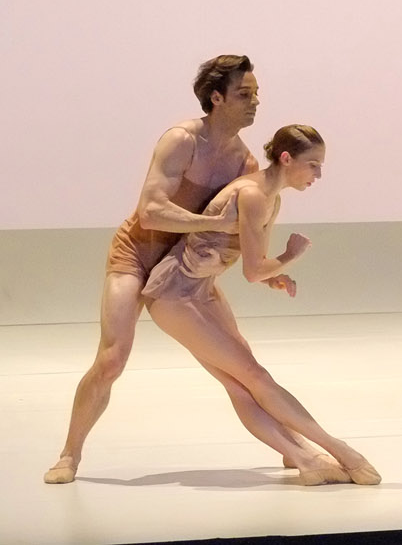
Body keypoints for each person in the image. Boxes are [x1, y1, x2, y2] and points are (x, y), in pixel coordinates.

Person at [45, 56, 266, 484]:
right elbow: (150, 213)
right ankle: (69, 455)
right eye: (244, 94)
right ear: (216, 98)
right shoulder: (182, 139)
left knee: (240, 360)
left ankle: (291, 446)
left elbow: (246, 229)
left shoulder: (245, 163)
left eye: (256, 94)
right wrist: (210, 224)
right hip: (136, 256)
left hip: (182, 267)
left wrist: (266, 266)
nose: (254, 102)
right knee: (112, 359)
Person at [141, 124, 381, 485]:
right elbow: (254, 270)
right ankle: (340, 451)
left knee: (243, 383)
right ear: (286, 159)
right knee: (253, 377)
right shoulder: (253, 194)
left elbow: (257, 264)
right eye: (313, 164)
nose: (318, 174)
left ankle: (302, 455)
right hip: (174, 293)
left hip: (200, 289)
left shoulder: (272, 197)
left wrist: (276, 273)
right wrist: (289, 256)